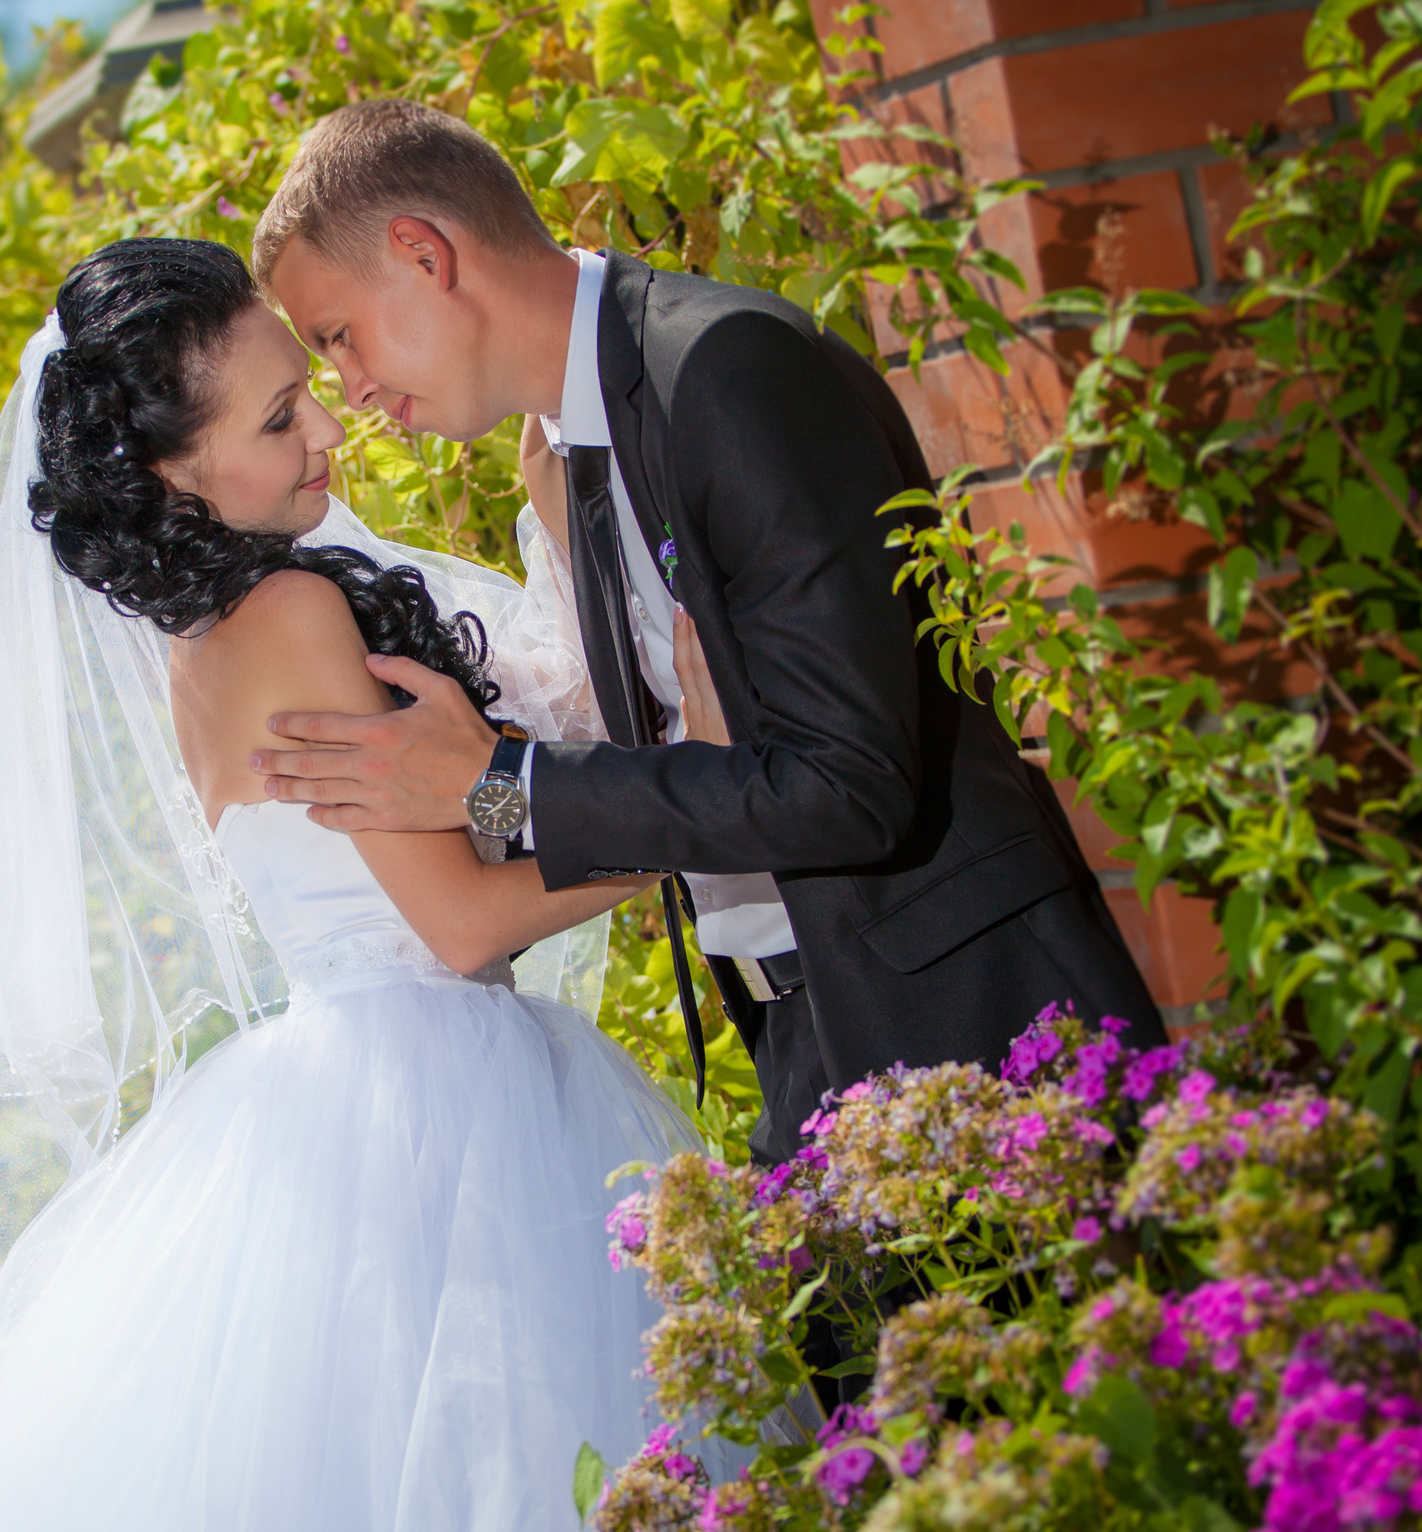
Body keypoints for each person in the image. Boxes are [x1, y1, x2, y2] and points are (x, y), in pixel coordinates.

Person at [0, 238, 747, 1532]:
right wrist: (692, 798)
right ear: (170, 473)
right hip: (435, 1095)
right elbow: (460, 917)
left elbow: (451, 824)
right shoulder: (293, 617)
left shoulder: (215, 635)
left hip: (365, 1069)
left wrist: (525, 755)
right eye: (277, 417)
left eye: (307, 382)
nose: (329, 425)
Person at [248, 99, 1165, 1162]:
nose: (352, 391)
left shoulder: (727, 370)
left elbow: (847, 785)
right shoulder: (558, 460)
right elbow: (693, 778)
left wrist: (499, 779)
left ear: (422, 252)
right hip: (796, 1035)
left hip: (963, 1013)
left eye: (339, 337)